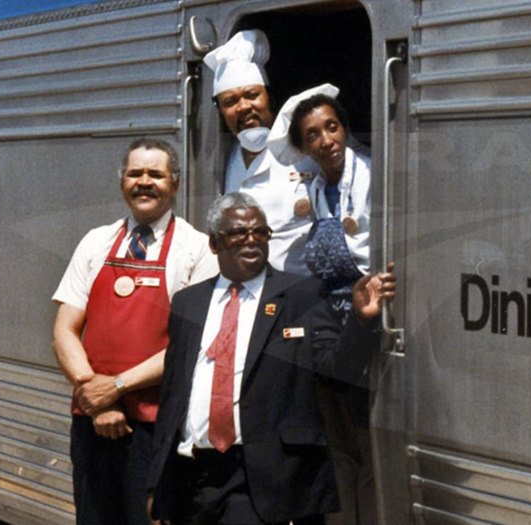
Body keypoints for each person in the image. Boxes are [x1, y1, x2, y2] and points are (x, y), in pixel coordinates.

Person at [147, 192, 396, 525]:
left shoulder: (301, 295)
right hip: (193, 477)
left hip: (264, 479)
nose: (251, 241)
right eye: (238, 233)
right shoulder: (188, 303)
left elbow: (335, 371)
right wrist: (156, 484)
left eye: (260, 232)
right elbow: (173, 395)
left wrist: (361, 321)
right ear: (215, 244)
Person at [51, 138, 219, 525]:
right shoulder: (96, 241)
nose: (145, 182)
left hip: (157, 426)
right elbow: (65, 328)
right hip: (92, 419)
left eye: (155, 174)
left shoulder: (196, 250)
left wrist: (118, 387)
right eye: (135, 173)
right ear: (123, 182)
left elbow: (190, 345)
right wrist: (94, 396)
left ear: (175, 184)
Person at [268, 86, 374, 525]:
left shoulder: (368, 174)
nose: (326, 140)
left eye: (332, 127)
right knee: (337, 440)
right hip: (330, 317)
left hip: (368, 314)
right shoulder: (316, 187)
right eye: (313, 134)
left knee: (367, 438)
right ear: (305, 146)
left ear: (345, 129)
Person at [203, 29, 317, 275]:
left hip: (300, 297)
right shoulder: (223, 159)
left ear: (270, 98)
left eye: (252, 95)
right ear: (221, 111)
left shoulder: (307, 150)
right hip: (244, 291)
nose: (243, 107)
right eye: (230, 102)